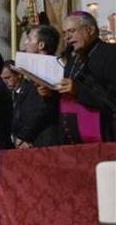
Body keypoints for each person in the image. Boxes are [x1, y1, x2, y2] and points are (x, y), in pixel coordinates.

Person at [44, 11, 116, 143]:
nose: (67, 37)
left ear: (90, 30)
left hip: (106, 134)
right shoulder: (73, 61)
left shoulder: (111, 54)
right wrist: (49, 94)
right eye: (65, 33)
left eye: (72, 31)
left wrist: (77, 91)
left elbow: (111, 98)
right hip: (73, 139)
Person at [12, 25, 62, 147]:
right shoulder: (33, 69)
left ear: (41, 45)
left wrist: (24, 136)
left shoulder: (48, 69)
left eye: (29, 39)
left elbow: (42, 108)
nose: (25, 43)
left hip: (44, 139)